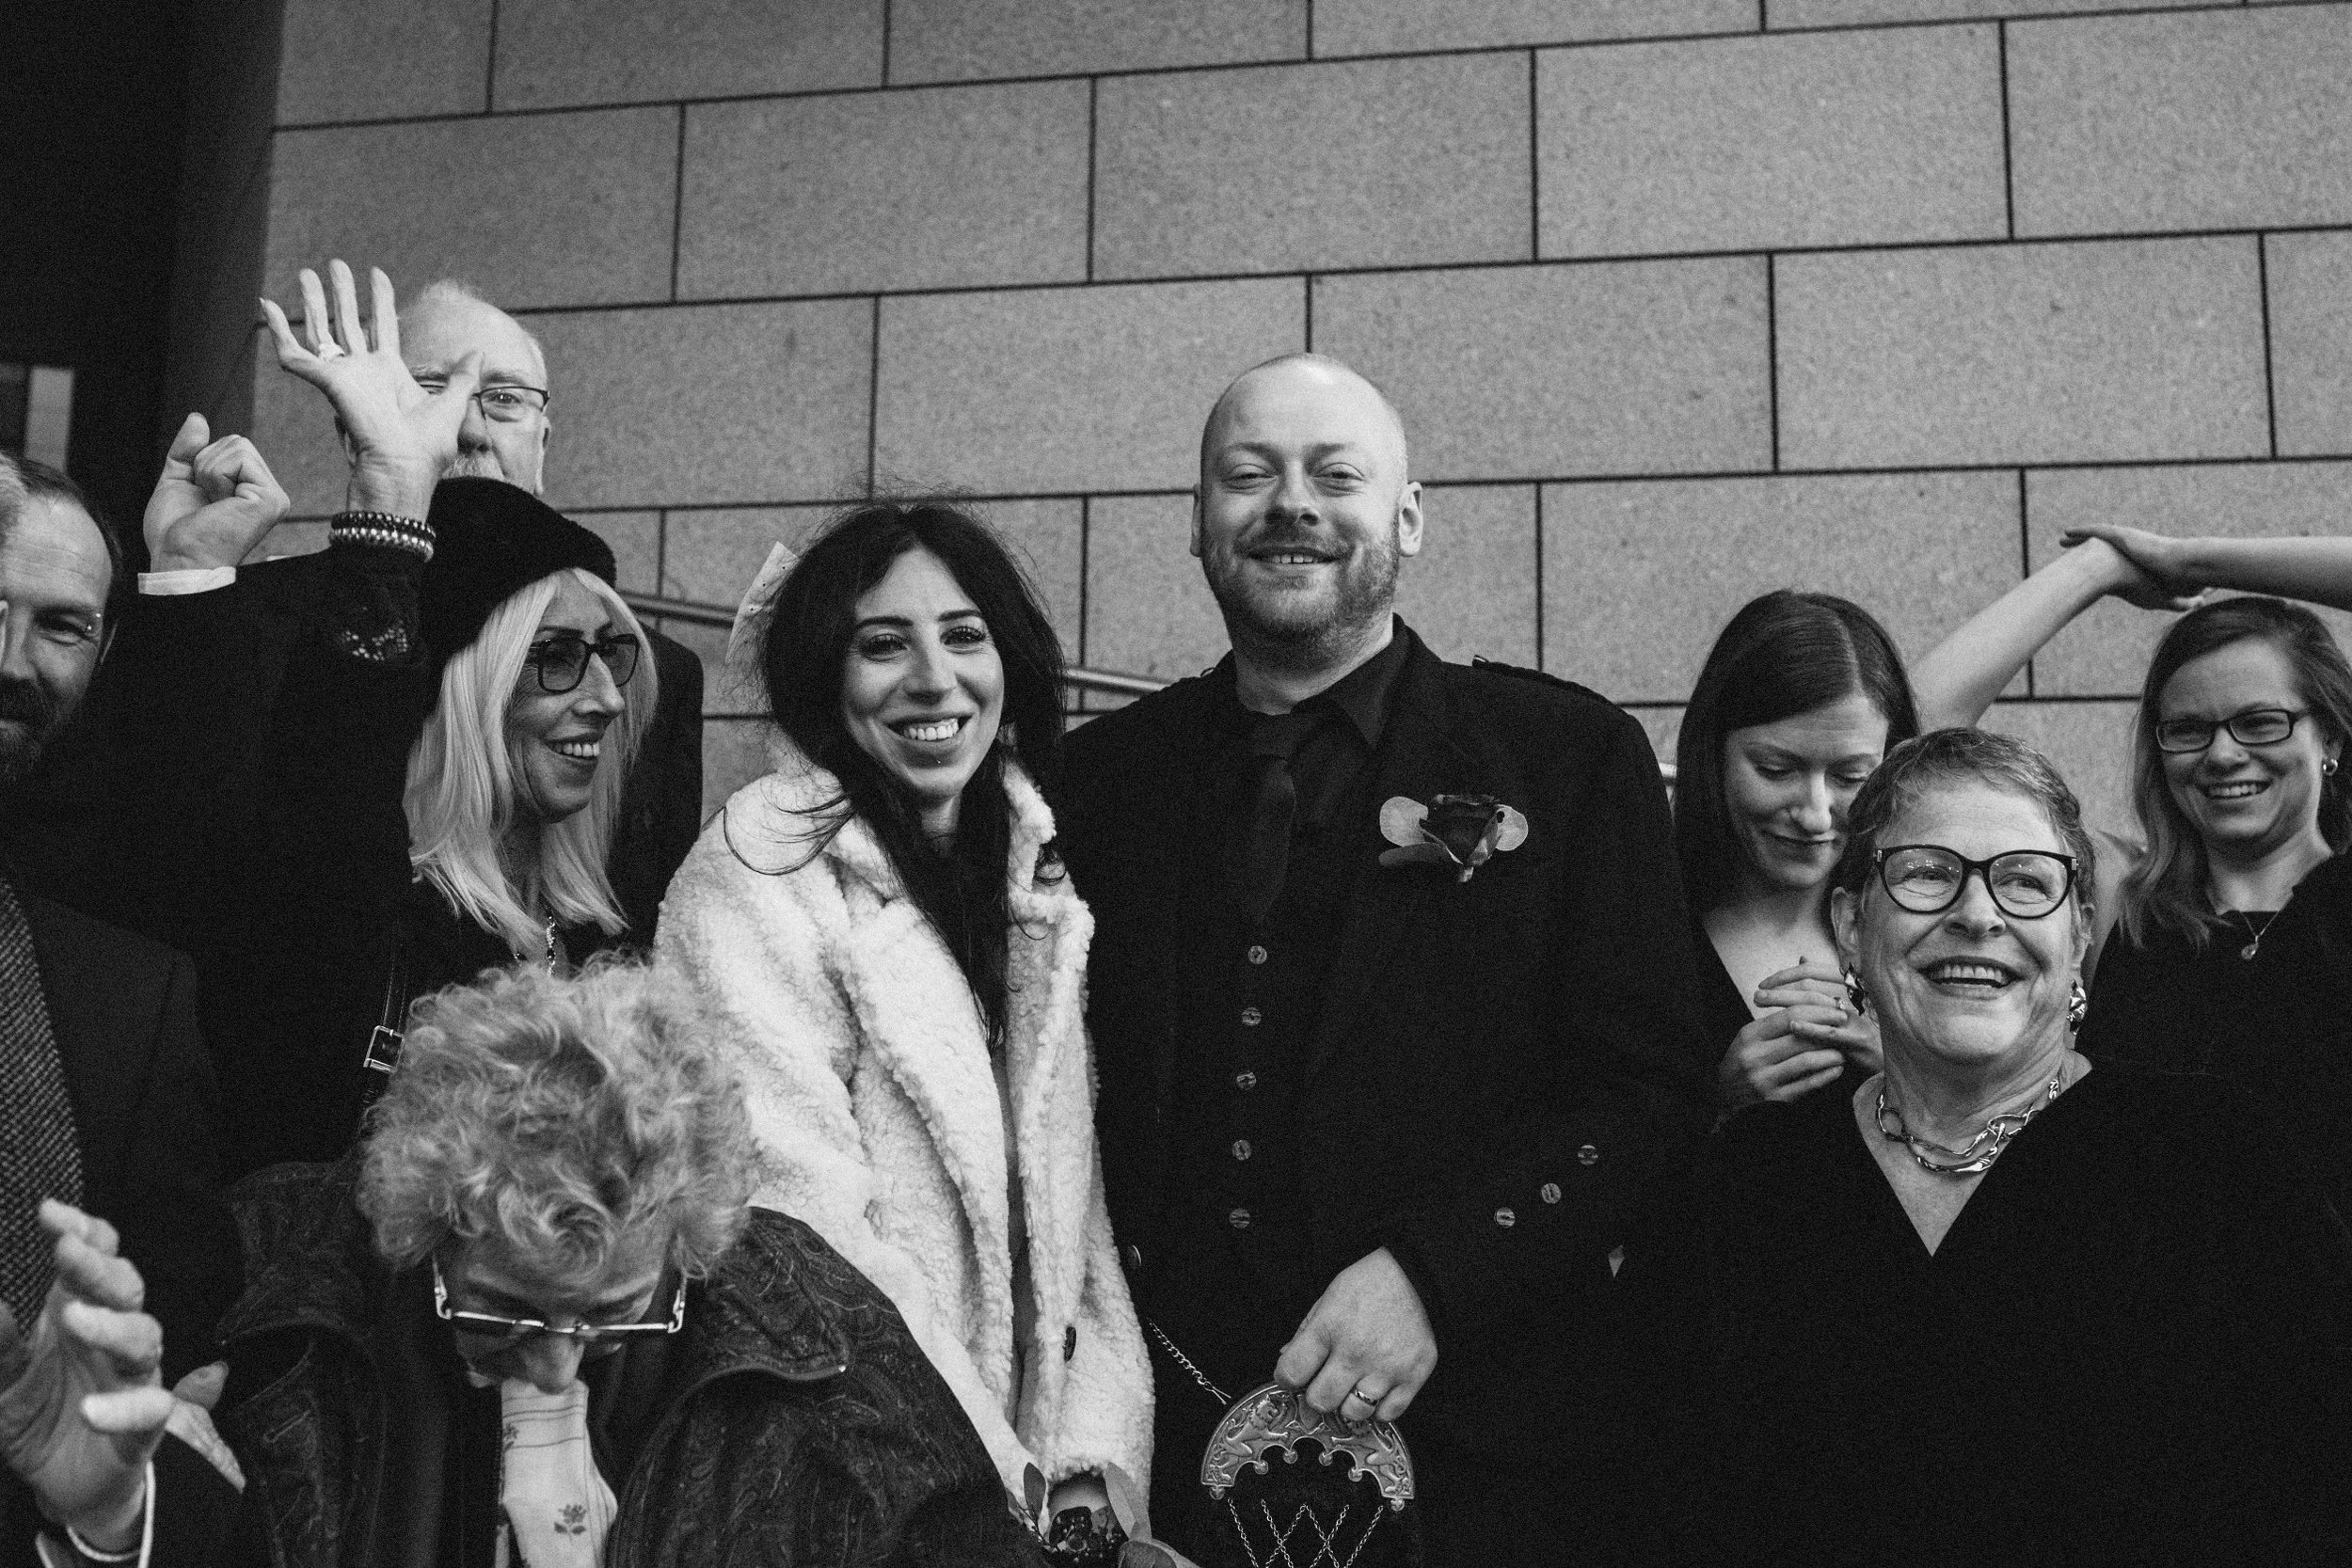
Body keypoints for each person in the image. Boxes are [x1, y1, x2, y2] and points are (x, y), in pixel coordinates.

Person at [1056, 353, 1714, 1562]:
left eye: (1334, 475)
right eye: (1248, 474)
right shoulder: (1100, 782)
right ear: (1197, 521)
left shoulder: (1566, 757)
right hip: (1166, 1454)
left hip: (1489, 1464)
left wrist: (1434, 1273)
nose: (1289, 504)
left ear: (1407, 517)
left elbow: (1651, 1091)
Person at [0, 959, 1054, 1565]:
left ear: (690, 1245)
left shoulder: (820, 1343)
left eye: (614, 1314)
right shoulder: (271, 1299)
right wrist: (111, 1524)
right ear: (427, 1224)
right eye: (503, 1310)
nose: (554, 1365)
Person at [1629, 728, 2352, 1563]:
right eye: (1927, 874)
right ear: (1852, 923)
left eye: (2024, 881)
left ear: (2079, 933)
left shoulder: (2216, 1159)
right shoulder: (1740, 1183)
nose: (1977, 914)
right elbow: (1652, 1501)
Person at [72, 261, 659, 1175]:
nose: (466, 425)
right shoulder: (266, 626)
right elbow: (168, 888)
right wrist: (195, 579)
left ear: (545, 438)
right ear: (355, 420)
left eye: (504, 398)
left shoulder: (641, 671)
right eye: (427, 390)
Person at [657, 501, 1150, 1545]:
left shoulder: (1030, 880)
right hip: (855, 1487)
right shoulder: (753, 874)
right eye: (883, 644)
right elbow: (804, 1239)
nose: (934, 677)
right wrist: (1000, 1494)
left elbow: (1079, 1237)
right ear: (823, 678)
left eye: (964, 635)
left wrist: (1087, 1481)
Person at [0, 455, 242, 1563]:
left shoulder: (126, 1003)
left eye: (60, 625)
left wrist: (105, 1520)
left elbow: (161, 1388)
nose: (13, 658)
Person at [1673, 592, 1911, 1110]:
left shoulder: (1921, 916)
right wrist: (1715, 1106)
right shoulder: (1642, 924)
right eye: (1776, 771)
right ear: (1712, 755)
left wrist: (1908, 1075)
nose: (1815, 815)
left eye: (1851, 777)